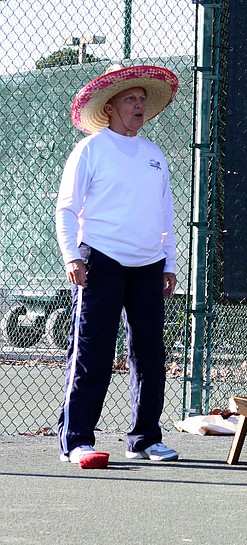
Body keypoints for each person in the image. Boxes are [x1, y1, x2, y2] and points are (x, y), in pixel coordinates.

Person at [55, 64, 180, 466]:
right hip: (100, 263)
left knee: (150, 354)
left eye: (143, 100)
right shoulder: (90, 149)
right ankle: (76, 441)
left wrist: (169, 262)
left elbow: (166, 215)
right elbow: (67, 208)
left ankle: (144, 439)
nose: (139, 106)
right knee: (92, 352)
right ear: (109, 108)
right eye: (131, 99)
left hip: (148, 267)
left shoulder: (154, 155)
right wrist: (72, 256)